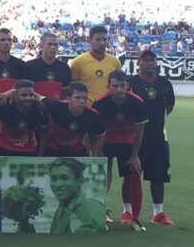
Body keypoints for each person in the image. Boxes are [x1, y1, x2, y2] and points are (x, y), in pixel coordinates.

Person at [93, 70, 148, 231]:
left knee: (134, 174)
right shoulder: (100, 103)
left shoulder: (137, 102)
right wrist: (97, 153)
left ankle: (135, 218)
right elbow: (94, 131)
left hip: (127, 142)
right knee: (100, 175)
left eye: (122, 86)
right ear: (108, 86)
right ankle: (100, 213)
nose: (119, 90)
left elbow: (139, 130)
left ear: (128, 86)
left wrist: (135, 155)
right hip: (106, 142)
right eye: (115, 86)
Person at [127, 49, 176, 225]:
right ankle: (127, 212)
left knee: (158, 176)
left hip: (158, 137)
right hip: (134, 137)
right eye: (145, 59)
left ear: (156, 63)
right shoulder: (130, 82)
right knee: (130, 175)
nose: (149, 62)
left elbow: (169, 106)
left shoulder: (165, 84)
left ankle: (158, 213)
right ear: (138, 63)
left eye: (152, 59)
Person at [41, 82, 105, 157]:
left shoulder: (94, 116)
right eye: (77, 98)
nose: (82, 101)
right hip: (53, 148)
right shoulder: (55, 106)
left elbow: (100, 136)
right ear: (68, 99)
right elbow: (39, 98)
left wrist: (94, 157)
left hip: (76, 150)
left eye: (85, 98)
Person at [0, 80, 49, 156]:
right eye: (24, 95)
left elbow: (44, 132)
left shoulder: (40, 109)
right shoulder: (4, 104)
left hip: (28, 150)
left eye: (31, 95)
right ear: (16, 95)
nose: (28, 98)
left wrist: (40, 155)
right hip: (3, 149)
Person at [48, 158, 107, 234]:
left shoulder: (94, 210)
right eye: (54, 179)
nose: (57, 184)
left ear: (80, 181)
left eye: (64, 178)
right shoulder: (61, 210)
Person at [69, 25, 122, 104]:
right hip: (87, 108)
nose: (102, 43)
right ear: (90, 40)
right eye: (98, 39)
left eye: (105, 39)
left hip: (108, 106)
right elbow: (72, 89)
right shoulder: (77, 62)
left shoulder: (115, 62)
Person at [23, 33, 71, 99]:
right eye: (49, 44)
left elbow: (66, 92)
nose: (53, 47)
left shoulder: (64, 68)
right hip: (35, 107)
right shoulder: (29, 66)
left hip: (57, 107)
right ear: (41, 46)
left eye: (55, 45)